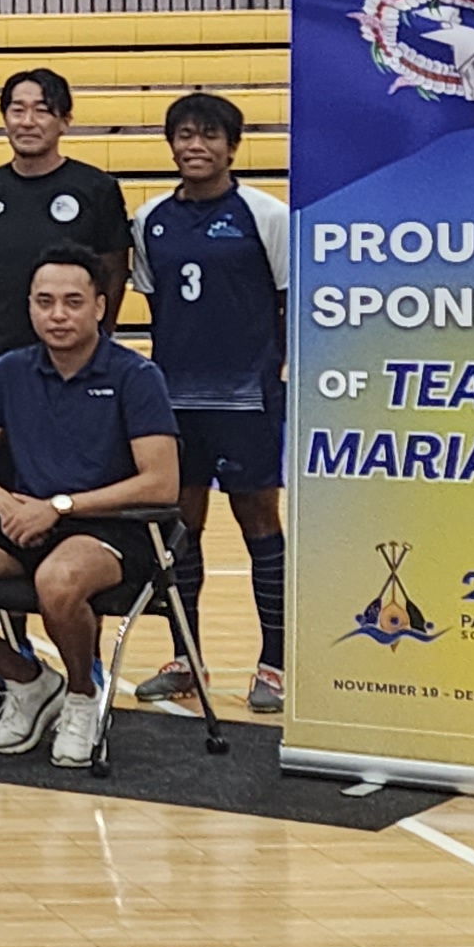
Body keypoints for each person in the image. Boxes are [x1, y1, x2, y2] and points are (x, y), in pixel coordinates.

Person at [0, 253, 179, 773]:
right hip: (21, 518)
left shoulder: (136, 374)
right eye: (45, 303)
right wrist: (4, 503)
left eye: (72, 302)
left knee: (58, 582)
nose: (58, 315)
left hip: (111, 526)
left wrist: (60, 506)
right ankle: (28, 679)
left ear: (100, 307)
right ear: (30, 308)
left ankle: (82, 697)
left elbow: (160, 482)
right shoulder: (11, 370)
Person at [130, 89, 294, 715]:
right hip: (174, 400)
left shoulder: (264, 214)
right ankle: (184, 657)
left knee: (258, 525)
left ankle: (274, 663)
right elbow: (154, 300)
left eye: (208, 136)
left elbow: (288, 299)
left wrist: (274, 376)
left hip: (248, 397)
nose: (195, 146)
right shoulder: (150, 219)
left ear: (232, 145)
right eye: (184, 135)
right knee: (180, 527)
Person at [0, 68, 128, 365]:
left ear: (64, 122)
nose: (27, 122)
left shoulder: (97, 188)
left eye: (42, 111)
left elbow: (114, 271)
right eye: (17, 110)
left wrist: (99, 337)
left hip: (79, 356)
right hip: (2, 353)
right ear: (5, 118)